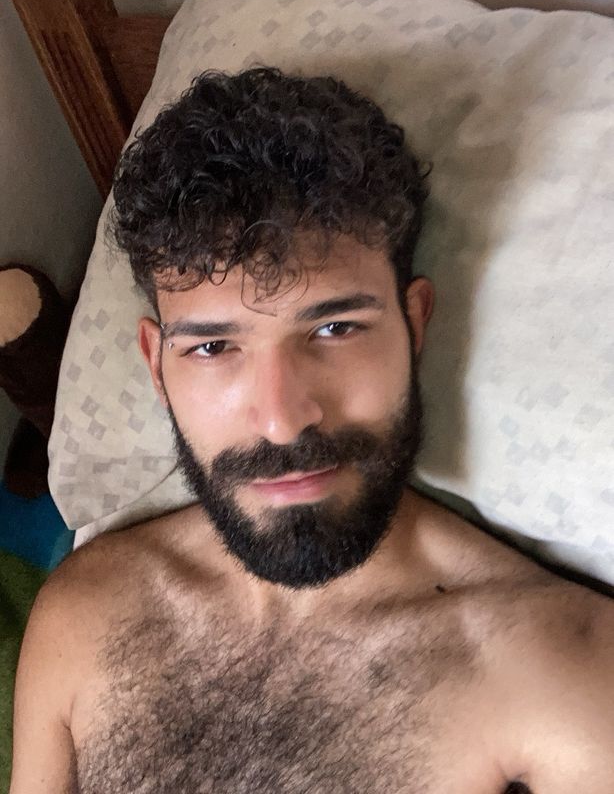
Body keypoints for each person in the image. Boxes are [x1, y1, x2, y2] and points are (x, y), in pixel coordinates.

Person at [9, 67, 613, 794]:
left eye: (335, 328)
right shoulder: (83, 612)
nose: (282, 418)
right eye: (212, 346)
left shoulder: (563, 670)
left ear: (415, 324)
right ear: (156, 364)